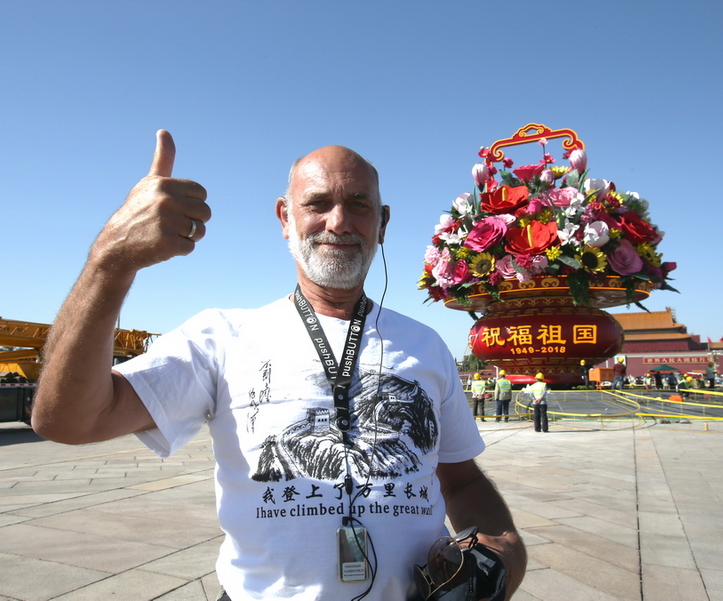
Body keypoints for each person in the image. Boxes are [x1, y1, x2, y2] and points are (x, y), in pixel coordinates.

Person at [31, 132, 526, 601]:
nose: (338, 222)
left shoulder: (426, 345)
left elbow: (461, 480)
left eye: (359, 204)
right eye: (317, 203)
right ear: (285, 218)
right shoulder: (220, 337)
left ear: (383, 223)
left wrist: (503, 550)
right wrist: (111, 261)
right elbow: (68, 420)